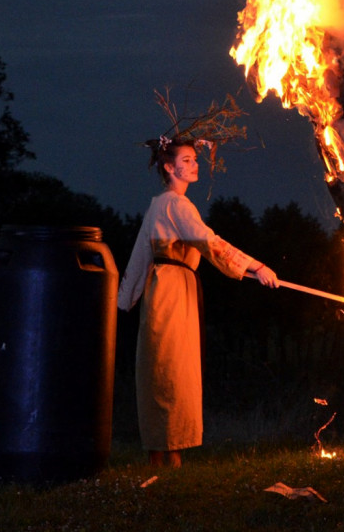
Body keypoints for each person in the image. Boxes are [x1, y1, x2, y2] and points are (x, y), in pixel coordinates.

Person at [117, 137, 278, 468]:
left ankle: (160, 457)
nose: (195, 165)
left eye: (194, 159)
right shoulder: (175, 205)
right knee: (168, 369)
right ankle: (169, 457)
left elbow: (140, 258)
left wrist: (124, 300)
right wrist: (257, 266)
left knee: (163, 367)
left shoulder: (160, 204)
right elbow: (209, 242)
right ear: (169, 167)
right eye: (187, 160)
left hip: (165, 290)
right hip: (171, 292)